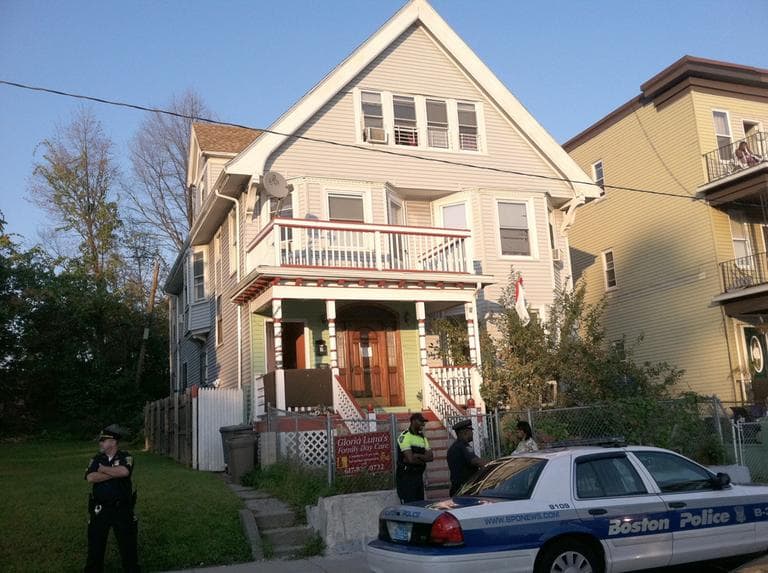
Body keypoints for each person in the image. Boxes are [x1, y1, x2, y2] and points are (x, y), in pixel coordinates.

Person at [84, 425, 141, 573]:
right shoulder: (96, 458)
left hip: (122, 509)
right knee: (95, 546)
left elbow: (124, 472)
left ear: (113, 442)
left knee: (128, 547)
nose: (100, 443)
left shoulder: (125, 456)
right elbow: (90, 477)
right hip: (100, 509)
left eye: (103, 440)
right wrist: (113, 473)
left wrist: (102, 469)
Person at [396, 412, 433, 503]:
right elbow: (410, 459)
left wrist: (417, 455)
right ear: (413, 421)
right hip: (406, 478)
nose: (423, 424)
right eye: (421, 421)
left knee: (420, 504)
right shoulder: (405, 436)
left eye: (424, 422)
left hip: (418, 477)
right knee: (409, 506)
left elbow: (431, 457)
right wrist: (423, 460)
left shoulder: (422, 437)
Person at [447, 419, 485, 496]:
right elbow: (476, 461)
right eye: (471, 431)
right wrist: (492, 464)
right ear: (465, 432)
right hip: (464, 489)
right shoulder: (462, 446)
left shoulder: (456, 446)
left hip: (459, 488)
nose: (472, 433)